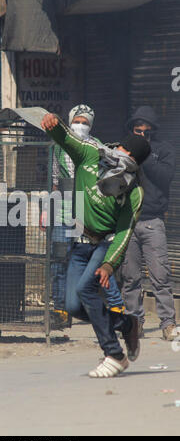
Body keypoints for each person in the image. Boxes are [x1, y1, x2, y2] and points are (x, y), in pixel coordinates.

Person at [41, 111, 151, 378]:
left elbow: (124, 232)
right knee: (73, 305)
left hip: (105, 244)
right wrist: (54, 125)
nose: (118, 153)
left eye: (125, 152)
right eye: (119, 147)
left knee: (86, 291)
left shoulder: (133, 192)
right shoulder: (90, 156)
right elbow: (68, 140)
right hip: (79, 241)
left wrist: (108, 264)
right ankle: (126, 324)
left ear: (133, 162)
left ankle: (113, 354)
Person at [50, 105, 125, 330]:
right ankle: (61, 310)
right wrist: (49, 210)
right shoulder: (58, 147)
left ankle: (116, 308)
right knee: (59, 262)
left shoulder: (98, 147)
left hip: (88, 213)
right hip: (64, 212)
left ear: (90, 125)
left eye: (85, 122)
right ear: (70, 121)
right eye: (77, 121)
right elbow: (55, 180)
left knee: (97, 262)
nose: (80, 125)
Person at [121, 106, 179, 341]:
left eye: (147, 132)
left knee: (160, 277)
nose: (143, 136)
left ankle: (168, 324)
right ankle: (135, 323)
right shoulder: (122, 151)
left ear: (153, 132)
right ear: (132, 130)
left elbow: (166, 177)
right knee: (130, 278)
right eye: (138, 132)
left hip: (153, 222)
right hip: (128, 223)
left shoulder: (164, 150)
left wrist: (143, 155)